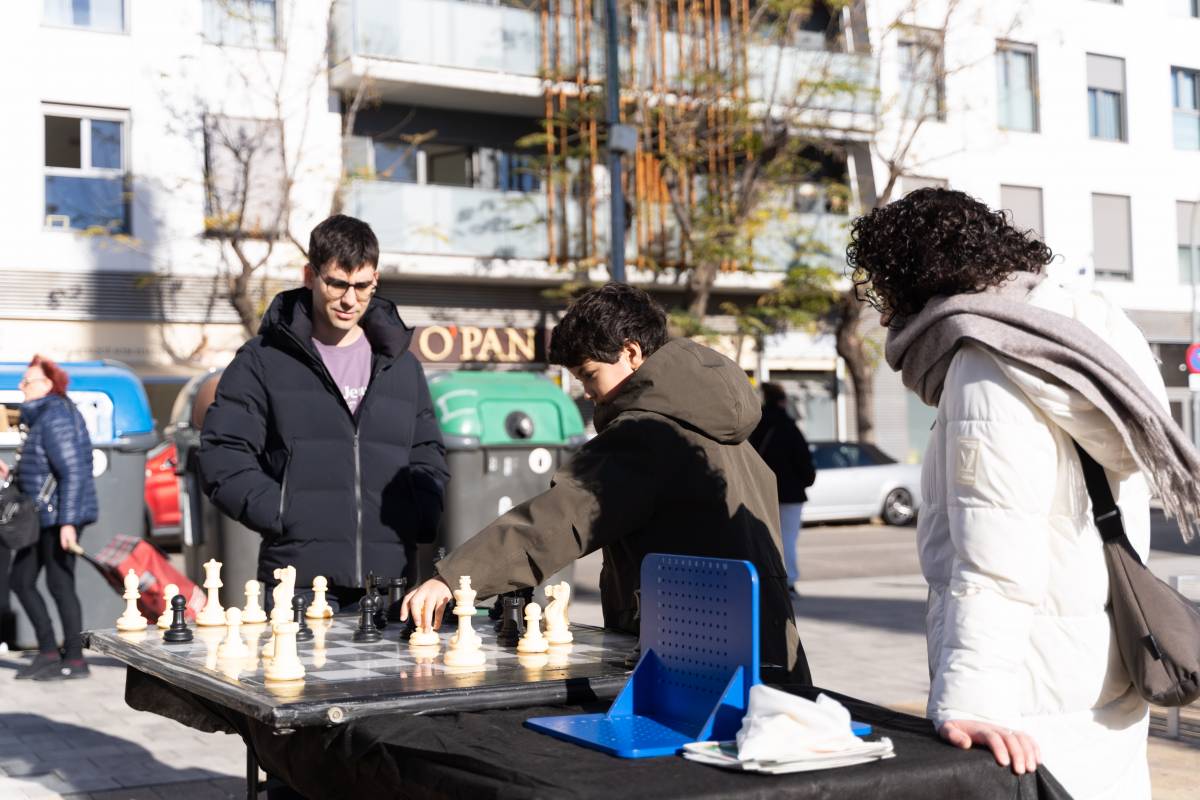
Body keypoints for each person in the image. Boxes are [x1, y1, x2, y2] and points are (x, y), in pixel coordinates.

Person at [846, 187, 1199, 798]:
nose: (882, 314)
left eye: (884, 288)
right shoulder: (1081, 331)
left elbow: (993, 554)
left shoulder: (988, 359)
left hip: (1030, 690)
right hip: (1105, 658)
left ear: (917, 279)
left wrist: (972, 698)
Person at [402, 283, 811, 683]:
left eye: (589, 374)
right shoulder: (719, 425)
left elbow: (559, 519)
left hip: (695, 658)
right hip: (767, 643)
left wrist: (454, 578)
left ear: (631, 353)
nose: (587, 393)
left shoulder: (647, 432)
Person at [198, 215, 450, 613]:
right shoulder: (262, 360)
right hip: (298, 582)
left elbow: (427, 452)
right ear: (310, 275)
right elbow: (221, 455)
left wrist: (418, 513)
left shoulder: (402, 364)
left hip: (391, 583)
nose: (350, 299)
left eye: (362, 286)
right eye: (337, 283)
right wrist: (283, 512)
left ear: (376, 280)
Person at [0, 356, 98, 680]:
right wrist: (11, 473)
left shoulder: (55, 416)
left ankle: (74, 659)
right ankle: (47, 651)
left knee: (59, 584)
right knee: (21, 580)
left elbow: (73, 472)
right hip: (42, 516)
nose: (21, 387)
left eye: (26, 381)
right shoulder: (42, 416)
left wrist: (69, 523)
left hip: (58, 518)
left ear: (46, 385)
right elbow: (42, 468)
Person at [748, 382, 815, 590]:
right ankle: (788, 581)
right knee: (788, 538)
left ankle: (766, 580)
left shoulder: (755, 427)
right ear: (782, 401)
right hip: (791, 493)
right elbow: (804, 462)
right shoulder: (789, 427)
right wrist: (804, 481)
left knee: (764, 538)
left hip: (762, 492)